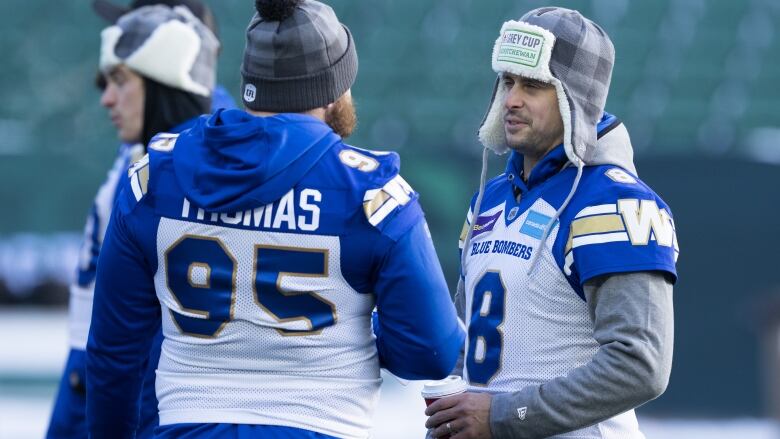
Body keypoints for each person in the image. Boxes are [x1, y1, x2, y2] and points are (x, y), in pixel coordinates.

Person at [85, 0, 465, 438]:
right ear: (332, 90)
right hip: (319, 424)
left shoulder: (155, 176)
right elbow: (431, 352)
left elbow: (114, 353)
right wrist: (366, 322)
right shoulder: (373, 195)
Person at [425, 7, 679, 439]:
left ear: (574, 99)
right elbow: (469, 344)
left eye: (533, 85)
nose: (511, 100)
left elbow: (640, 365)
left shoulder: (615, 201)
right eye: (507, 81)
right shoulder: (492, 197)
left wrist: (505, 416)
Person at [46, 4, 221, 438]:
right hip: (105, 373)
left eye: (121, 77)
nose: (104, 94)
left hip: (148, 392)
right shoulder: (145, 146)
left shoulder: (200, 155)